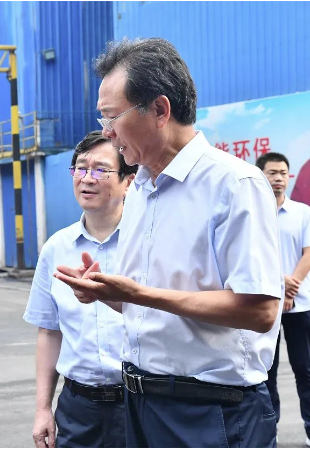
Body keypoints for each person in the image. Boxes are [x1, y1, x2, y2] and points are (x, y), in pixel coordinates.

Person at [54, 38, 283, 448]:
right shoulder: (141, 189)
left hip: (210, 412)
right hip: (140, 403)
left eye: (112, 116)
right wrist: (109, 293)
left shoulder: (234, 185)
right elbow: (149, 307)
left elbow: (261, 310)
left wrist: (139, 294)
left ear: (160, 110)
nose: (106, 132)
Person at [24, 131, 137, 448]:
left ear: (128, 181)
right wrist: (42, 409)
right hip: (78, 407)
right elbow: (49, 331)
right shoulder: (56, 248)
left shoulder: (146, 242)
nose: (87, 178)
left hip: (140, 402)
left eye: (101, 169)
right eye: (81, 168)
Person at [257, 152, 310, 447]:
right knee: (267, 372)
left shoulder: (302, 212)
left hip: (300, 304)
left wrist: (290, 290)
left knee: (306, 371)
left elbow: (308, 253)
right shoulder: (253, 213)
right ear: (261, 175)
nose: (278, 178)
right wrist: (280, 284)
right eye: (272, 173)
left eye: (283, 173)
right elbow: (254, 256)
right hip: (265, 306)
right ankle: (269, 430)